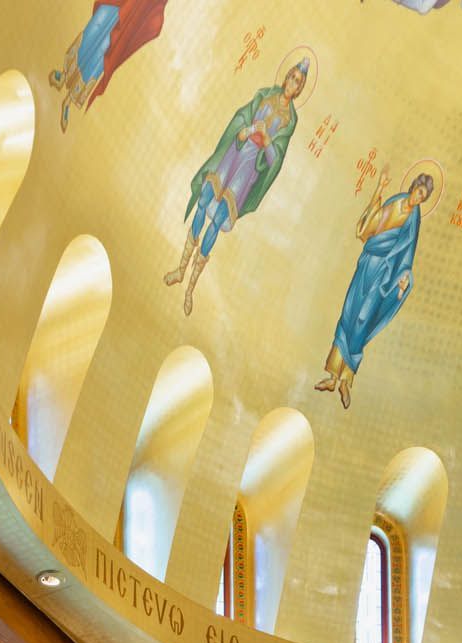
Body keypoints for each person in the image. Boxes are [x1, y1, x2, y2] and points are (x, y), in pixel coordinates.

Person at [165, 59, 309, 315]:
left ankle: (190, 289)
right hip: (235, 152)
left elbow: (276, 160)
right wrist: (244, 130)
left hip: (250, 168)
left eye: (298, 81)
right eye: (291, 76)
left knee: (218, 220)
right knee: (203, 201)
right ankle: (180, 268)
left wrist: (265, 140)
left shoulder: (290, 121)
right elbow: (242, 116)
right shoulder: (265, 94)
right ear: (286, 77)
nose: (292, 82)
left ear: (300, 89)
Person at [316, 171, 434, 410]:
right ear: (413, 187)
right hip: (367, 263)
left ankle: (346, 380)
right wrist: (379, 189)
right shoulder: (395, 202)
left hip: (383, 275)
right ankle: (332, 377)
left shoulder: (413, 224)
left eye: (423, 197)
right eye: (418, 192)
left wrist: (403, 280)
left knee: (362, 321)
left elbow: (406, 260)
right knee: (349, 314)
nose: (418, 198)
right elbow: (372, 225)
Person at [48, 0, 168, 131]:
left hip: (129, 18)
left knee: (101, 55)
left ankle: (69, 100)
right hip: (115, 3)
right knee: (92, 32)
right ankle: (64, 75)